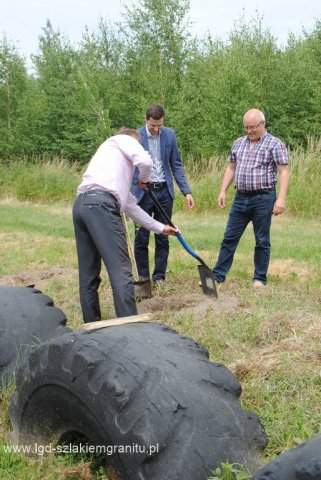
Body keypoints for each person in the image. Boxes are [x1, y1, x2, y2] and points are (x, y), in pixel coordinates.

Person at [72, 128, 178, 323]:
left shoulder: (111, 166)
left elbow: (132, 208)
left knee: (88, 275)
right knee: (121, 270)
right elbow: (145, 162)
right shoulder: (124, 139)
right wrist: (144, 178)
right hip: (101, 205)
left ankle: (92, 324)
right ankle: (129, 327)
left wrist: (161, 227)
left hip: (81, 206)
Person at [212, 108, 290, 288]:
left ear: (262, 124)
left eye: (253, 127)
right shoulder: (239, 143)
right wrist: (223, 190)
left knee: (262, 240)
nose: (249, 131)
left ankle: (259, 279)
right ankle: (218, 276)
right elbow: (231, 167)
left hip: (263, 198)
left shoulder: (274, 144)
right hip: (240, 198)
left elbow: (284, 171)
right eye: (246, 127)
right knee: (229, 237)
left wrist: (281, 199)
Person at [132, 104, 195, 288]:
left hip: (164, 192)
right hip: (142, 193)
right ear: (146, 119)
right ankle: (143, 279)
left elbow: (176, 165)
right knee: (141, 236)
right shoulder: (135, 137)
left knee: (163, 235)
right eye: (153, 125)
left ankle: (159, 277)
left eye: (159, 125)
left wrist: (187, 191)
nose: (156, 129)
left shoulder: (170, 135)